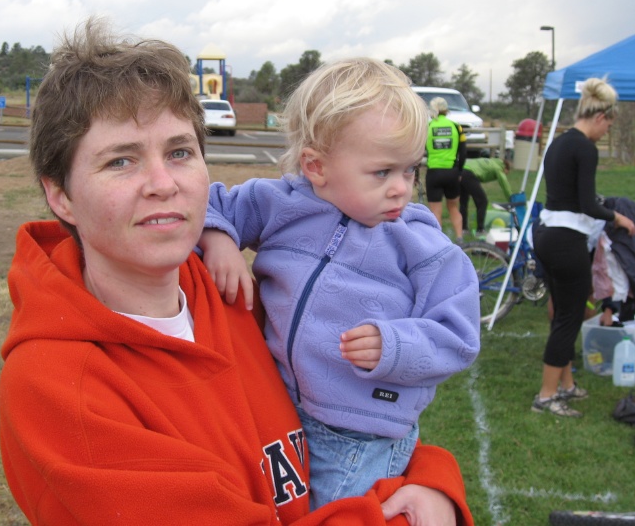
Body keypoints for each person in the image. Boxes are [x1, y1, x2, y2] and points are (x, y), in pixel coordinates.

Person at [0, 18, 474, 525]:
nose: (163, 184)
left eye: (180, 152)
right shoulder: (58, 390)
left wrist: (433, 479)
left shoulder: (230, 293)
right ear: (60, 195)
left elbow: (344, 418)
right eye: (120, 161)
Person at [199, 58, 480, 510]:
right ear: (316, 166)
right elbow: (207, 203)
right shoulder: (280, 203)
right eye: (382, 172)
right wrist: (218, 240)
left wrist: (395, 346)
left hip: (360, 435)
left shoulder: (421, 241)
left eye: (410, 170)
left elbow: (459, 333)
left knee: (334, 517)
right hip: (283, 409)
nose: (402, 189)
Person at [532, 78, 635, 418]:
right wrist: (619, 218)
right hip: (566, 240)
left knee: (563, 313)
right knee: (569, 317)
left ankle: (566, 384)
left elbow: (569, 197)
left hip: (546, 233)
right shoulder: (585, 148)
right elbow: (588, 205)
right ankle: (547, 396)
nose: (606, 132)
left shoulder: (559, 143)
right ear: (601, 117)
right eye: (609, 125)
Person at [424, 97, 466, 241]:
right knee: (453, 207)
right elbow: (463, 151)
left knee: (436, 211)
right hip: (452, 172)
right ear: (446, 109)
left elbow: (420, 150)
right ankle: (460, 238)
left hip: (434, 172)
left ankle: (439, 242)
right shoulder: (455, 126)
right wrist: (460, 171)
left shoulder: (428, 126)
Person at [459, 157, 513, 236]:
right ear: (505, 168)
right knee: (482, 202)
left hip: (462, 171)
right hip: (470, 173)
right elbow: (504, 184)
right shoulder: (498, 167)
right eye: (506, 173)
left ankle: (463, 229)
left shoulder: (493, 162)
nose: (505, 174)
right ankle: (480, 230)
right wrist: (511, 199)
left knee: (463, 202)